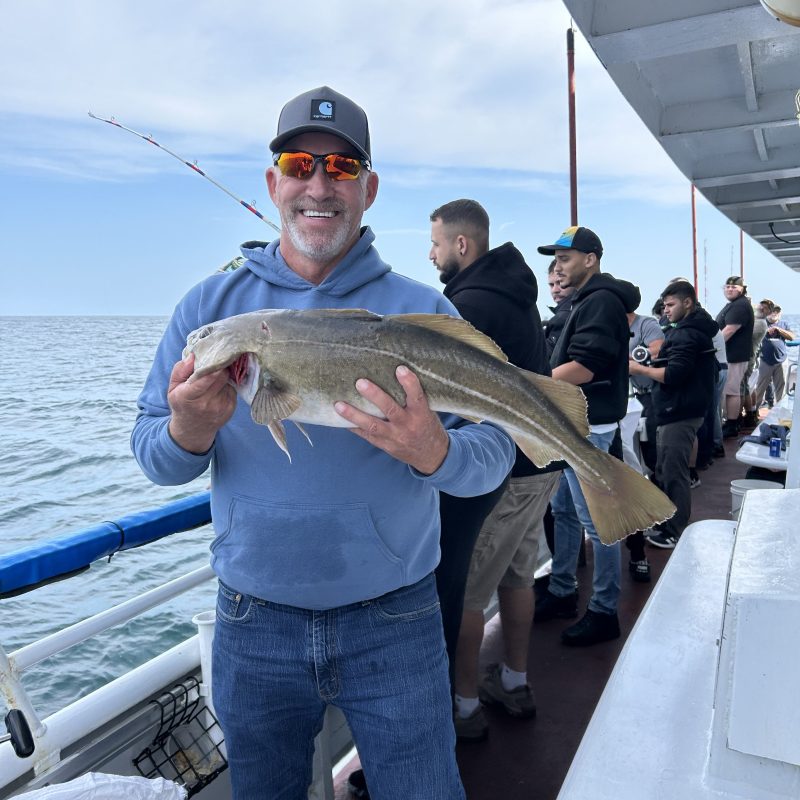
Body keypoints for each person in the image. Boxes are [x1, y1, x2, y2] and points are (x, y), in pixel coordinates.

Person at [131, 86, 515, 800]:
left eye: (341, 169)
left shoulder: (423, 308)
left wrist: (435, 452)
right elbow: (153, 451)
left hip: (395, 617)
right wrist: (191, 428)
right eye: (300, 163)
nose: (319, 185)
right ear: (274, 183)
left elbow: (492, 456)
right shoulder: (207, 311)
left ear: (368, 190)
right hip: (253, 622)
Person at [423, 199, 562, 742]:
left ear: (462, 245)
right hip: (538, 463)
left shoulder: (469, 305)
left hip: (500, 471)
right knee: (517, 575)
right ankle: (514, 679)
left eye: (434, 244)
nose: (429, 254)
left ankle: (464, 710)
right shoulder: (514, 291)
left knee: (466, 593)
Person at [533, 226, 641, 646]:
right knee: (562, 511)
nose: (558, 266)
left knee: (597, 524)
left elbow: (586, 366)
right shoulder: (584, 301)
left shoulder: (599, 301)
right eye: (556, 259)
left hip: (589, 429)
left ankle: (603, 610)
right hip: (569, 425)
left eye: (565, 257)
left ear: (590, 259)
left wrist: (528, 386)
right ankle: (562, 589)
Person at [630, 281, 718, 549]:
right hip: (682, 409)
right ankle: (667, 521)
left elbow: (674, 374)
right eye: (665, 306)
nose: (666, 311)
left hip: (679, 412)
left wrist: (638, 368)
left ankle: (675, 531)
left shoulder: (687, 335)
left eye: (671, 305)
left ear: (687, 302)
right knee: (664, 467)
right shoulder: (694, 330)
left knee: (673, 470)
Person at [715, 276, 754, 438]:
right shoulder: (735, 305)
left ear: (742, 289)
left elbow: (729, 330)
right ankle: (733, 421)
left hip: (734, 356)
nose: (730, 289)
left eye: (734, 287)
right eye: (728, 286)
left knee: (731, 390)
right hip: (732, 355)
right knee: (732, 389)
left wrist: (711, 348)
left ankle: (732, 424)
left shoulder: (740, 306)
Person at [755, 300, 793, 408]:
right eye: (772, 311)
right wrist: (767, 331)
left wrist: (778, 329)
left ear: (780, 314)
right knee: (760, 388)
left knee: (781, 388)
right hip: (765, 360)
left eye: (777, 311)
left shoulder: (784, 324)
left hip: (781, 361)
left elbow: (792, 336)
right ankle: (754, 412)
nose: (774, 313)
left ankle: (779, 410)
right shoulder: (761, 323)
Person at [741, 299, 771, 429]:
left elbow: (743, 334)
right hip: (752, 358)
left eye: (766, 308)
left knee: (743, 388)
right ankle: (752, 412)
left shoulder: (760, 323)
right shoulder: (756, 320)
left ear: (769, 312)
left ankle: (748, 417)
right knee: (749, 387)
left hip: (749, 358)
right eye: (761, 305)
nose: (762, 308)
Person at [544, 259, 575, 359]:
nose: (555, 290)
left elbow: (544, 359)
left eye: (560, 283)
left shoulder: (564, 316)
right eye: (551, 285)